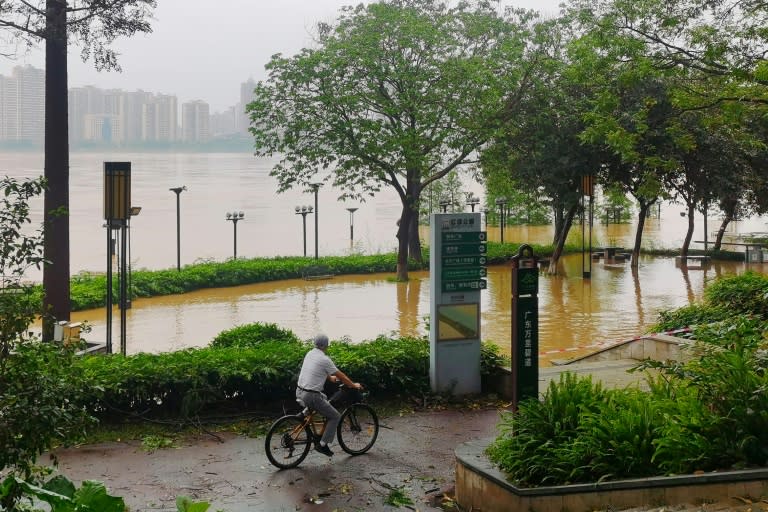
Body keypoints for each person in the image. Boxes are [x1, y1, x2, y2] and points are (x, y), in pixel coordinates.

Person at [296, 333, 362, 457]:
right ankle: (322, 445)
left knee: (325, 399)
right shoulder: (324, 359)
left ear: (315, 343)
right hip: (311, 396)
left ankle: (303, 414)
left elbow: (319, 369)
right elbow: (341, 376)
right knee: (335, 416)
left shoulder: (310, 354)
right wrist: (353, 385)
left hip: (300, 391)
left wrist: (330, 378)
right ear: (326, 345)